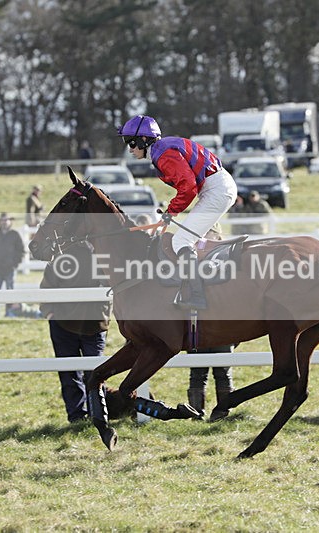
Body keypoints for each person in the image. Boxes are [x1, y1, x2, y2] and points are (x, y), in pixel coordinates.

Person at [118, 114, 237, 309]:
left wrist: (171, 212)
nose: (130, 149)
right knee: (191, 238)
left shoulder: (163, 153)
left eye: (131, 142)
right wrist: (171, 211)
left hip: (216, 190)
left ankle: (197, 296)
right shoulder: (161, 149)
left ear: (144, 139)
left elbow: (188, 187)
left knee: (181, 240)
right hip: (215, 189)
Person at [40, 241, 112, 423]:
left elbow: (113, 286)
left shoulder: (102, 256)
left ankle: (92, 415)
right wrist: (50, 312)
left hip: (92, 323)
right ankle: (83, 416)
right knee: (78, 372)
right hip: (68, 323)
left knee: (90, 372)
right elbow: (47, 286)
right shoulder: (62, 256)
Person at [185, 225, 234, 420]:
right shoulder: (188, 261)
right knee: (197, 372)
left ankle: (223, 410)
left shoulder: (227, 262)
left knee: (223, 371)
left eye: (207, 235)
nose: (203, 240)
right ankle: (196, 412)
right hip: (196, 323)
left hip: (222, 325)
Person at [0, 212, 25, 293]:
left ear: (10, 221)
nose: (4, 222)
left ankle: (10, 306)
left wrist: (15, 263)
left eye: (6, 220)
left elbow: (21, 250)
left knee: (10, 290)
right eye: (2, 220)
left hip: (10, 268)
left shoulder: (15, 235)